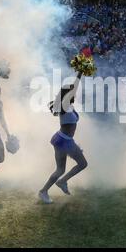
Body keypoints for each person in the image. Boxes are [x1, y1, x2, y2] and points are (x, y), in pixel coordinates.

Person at [39, 72, 88, 204]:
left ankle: (59, 182)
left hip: (65, 140)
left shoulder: (68, 105)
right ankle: (46, 190)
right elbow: (73, 89)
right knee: (78, 165)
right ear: (68, 95)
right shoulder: (65, 105)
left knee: (64, 168)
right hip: (63, 141)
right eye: (72, 92)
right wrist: (80, 73)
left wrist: (80, 72)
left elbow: (74, 89)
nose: (75, 94)